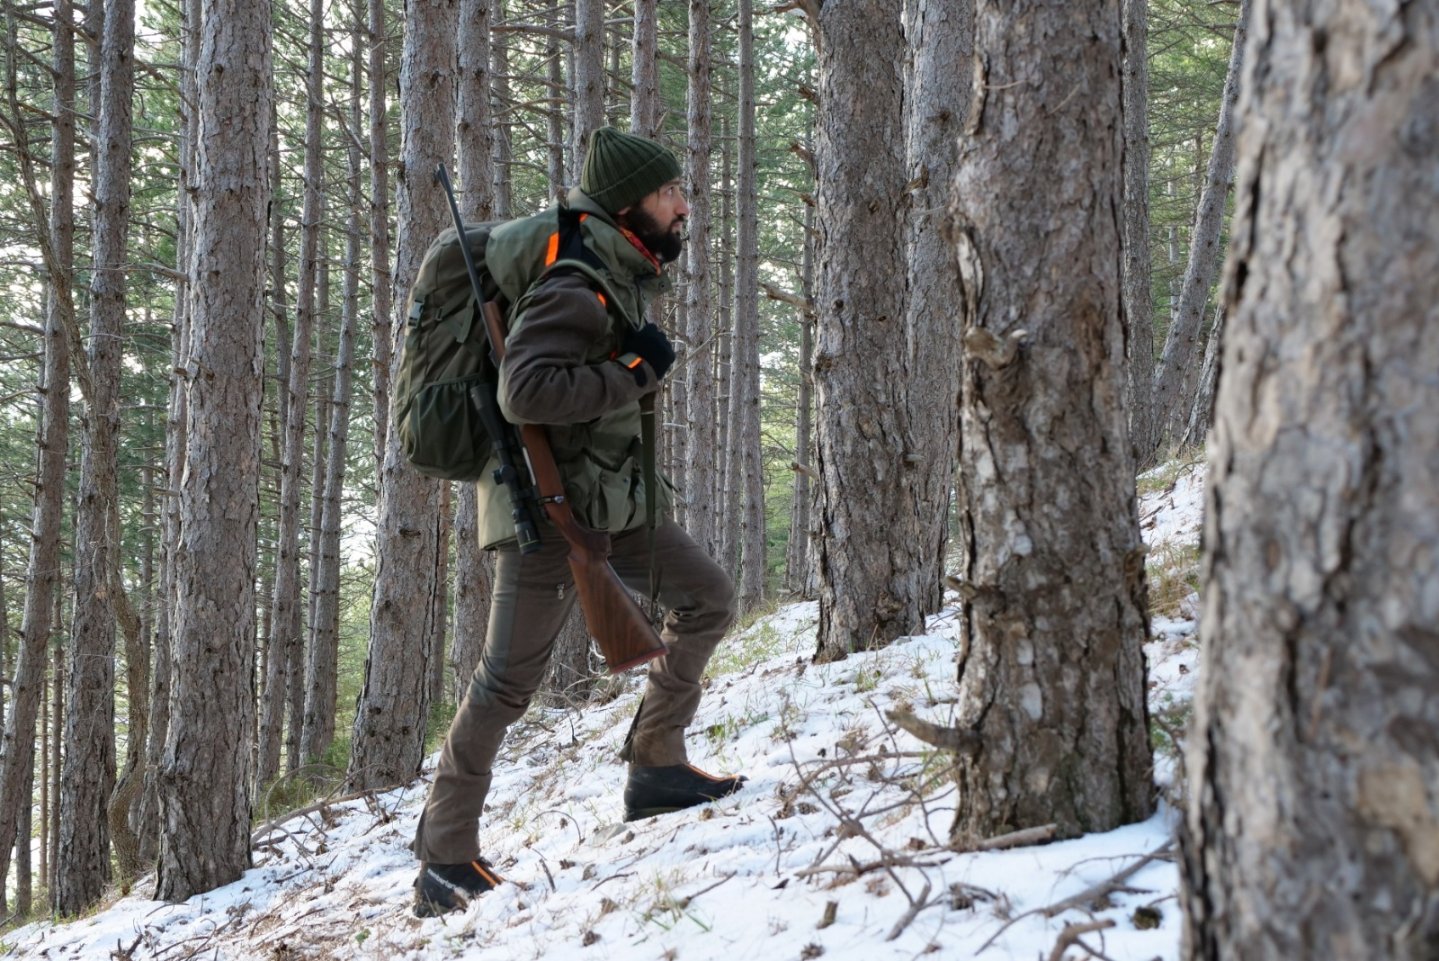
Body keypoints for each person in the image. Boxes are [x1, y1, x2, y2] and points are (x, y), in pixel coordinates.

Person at [412, 127, 745, 918]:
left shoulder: (612, 269)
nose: (682, 206)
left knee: (707, 599)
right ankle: (444, 858)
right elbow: (523, 393)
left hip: (607, 504)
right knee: (505, 683)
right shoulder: (576, 276)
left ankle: (656, 763)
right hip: (547, 509)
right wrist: (633, 370)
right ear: (630, 204)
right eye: (669, 194)